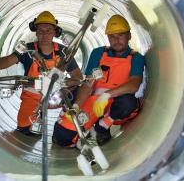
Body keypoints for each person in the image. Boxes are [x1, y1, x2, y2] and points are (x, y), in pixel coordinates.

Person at [0, 11, 83, 135]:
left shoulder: (63, 52)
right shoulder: (27, 49)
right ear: (36, 32)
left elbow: (78, 77)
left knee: (79, 93)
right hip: (34, 94)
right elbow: (9, 60)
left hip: (57, 94)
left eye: (48, 30)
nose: (44, 34)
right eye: (40, 30)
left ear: (55, 32)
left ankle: (64, 124)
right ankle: (37, 117)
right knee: (24, 127)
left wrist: (63, 86)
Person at [53, 14, 145, 146]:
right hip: (93, 99)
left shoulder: (136, 58)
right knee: (62, 138)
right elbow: (88, 83)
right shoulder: (98, 53)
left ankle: (102, 127)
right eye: (112, 36)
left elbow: (134, 84)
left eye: (121, 35)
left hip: (115, 104)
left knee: (129, 102)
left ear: (129, 36)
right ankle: (81, 126)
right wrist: (77, 105)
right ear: (107, 37)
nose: (116, 40)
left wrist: (107, 95)